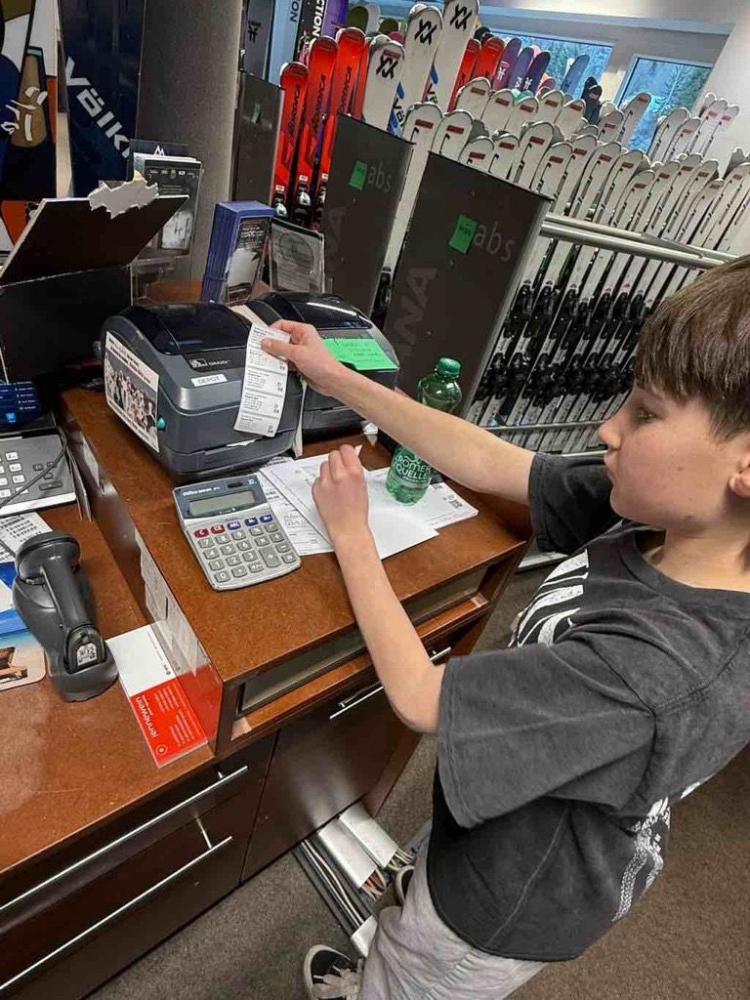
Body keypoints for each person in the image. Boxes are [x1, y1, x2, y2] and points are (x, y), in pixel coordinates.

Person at [261, 258, 750, 1000]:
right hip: (499, 817)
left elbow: (422, 697)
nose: (609, 428)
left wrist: (351, 534)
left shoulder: (660, 670)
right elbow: (497, 462)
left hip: (495, 911)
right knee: (411, 909)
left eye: (647, 414)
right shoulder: (665, 517)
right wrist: (339, 380)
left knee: (411, 966)